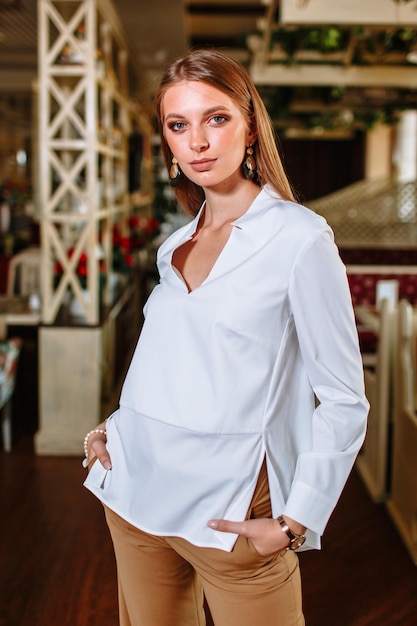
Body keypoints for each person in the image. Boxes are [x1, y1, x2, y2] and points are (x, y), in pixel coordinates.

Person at [83, 48, 369, 626]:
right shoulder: (175, 243)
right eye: (178, 125)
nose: (199, 142)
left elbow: (343, 399)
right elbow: (173, 357)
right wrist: (115, 424)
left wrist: (295, 519)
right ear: (167, 144)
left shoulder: (299, 239)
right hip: (135, 492)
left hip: (232, 509)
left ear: (249, 127)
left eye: (216, 118)